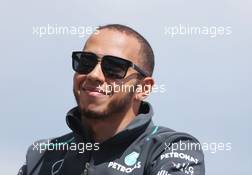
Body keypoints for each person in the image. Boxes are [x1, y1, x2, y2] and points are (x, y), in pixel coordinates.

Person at [18, 24, 205, 175]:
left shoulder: (171, 149)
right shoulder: (42, 154)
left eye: (114, 67)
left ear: (143, 88)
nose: (94, 75)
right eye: (86, 62)